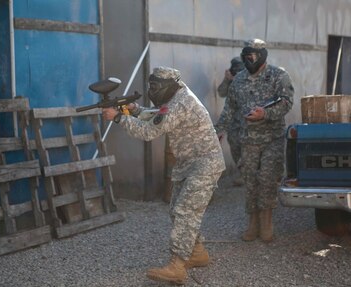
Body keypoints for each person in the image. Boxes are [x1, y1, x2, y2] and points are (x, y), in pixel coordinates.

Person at [102, 66, 225, 285]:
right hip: (189, 163)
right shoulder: (177, 96)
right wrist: (134, 108)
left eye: (155, 86)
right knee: (177, 210)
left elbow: (149, 131)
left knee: (185, 210)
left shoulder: (180, 103)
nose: (152, 90)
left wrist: (118, 118)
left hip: (205, 164)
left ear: (168, 86)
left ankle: (177, 266)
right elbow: (158, 115)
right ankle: (196, 252)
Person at [215, 38, 294, 243]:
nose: (250, 60)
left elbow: (286, 103)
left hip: (272, 138)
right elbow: (230, 108)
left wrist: (265, 114)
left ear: (263, 55)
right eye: (246, 56)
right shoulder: (239, 80)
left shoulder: (278, 76)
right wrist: (219, 129)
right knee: (250, 180)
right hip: (248, 139)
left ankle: (266, 223)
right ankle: (253, 223)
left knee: (267, 179)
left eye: (254, 56)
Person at [217, 57, 246, 186]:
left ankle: (249, 174)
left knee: (247, 148)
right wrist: (227, 80)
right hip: (233, 121)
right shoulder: (230, 77)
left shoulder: (249, 78)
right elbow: (221, 92)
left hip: (247, 120)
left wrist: (237, 80)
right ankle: (242, 173)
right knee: (234, 146)